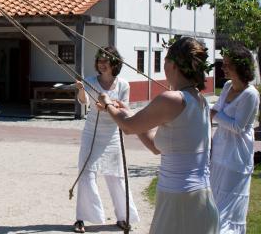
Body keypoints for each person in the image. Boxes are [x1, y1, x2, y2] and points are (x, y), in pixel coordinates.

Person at [96, 36, 219, 234]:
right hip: (200, 199)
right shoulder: (200, 101)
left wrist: (108, 103)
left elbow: (128, 127)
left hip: (180, 200)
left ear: (172, 65)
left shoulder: (172, 99)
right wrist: (127, 111)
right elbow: (155, 145)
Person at [72, 47, 139, 233]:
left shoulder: (123, 85)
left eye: (105, 61)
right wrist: (81, 89)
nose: (102, 64)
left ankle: (124, 217)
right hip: (92, 132)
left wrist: (108, 106)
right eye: (99, 61)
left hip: (112, 135)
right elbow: (84, 101)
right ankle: (81, 218)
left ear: (114, 63)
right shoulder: (91, 81)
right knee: (86, 173)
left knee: (117, 176)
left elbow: (124, 107)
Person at [210, 44, 259, 234]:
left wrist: (214, 115)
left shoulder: (251, 94)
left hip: (237, 158)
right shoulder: (228, 86)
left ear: (240, 67)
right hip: (220, 152)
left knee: (229, 208)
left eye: (227, 65)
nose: (223, 68)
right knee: (215, 203)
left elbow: (239, 126)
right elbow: (218, 108)